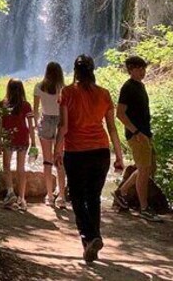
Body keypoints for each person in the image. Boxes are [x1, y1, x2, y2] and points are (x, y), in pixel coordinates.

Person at [55, 55, 124, 264]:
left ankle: (90, 236)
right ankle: (90, 245)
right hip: (101, 151)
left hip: (76, 152)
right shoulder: (104, 94)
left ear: (75, 70)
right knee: (93, 197)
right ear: (93, 70)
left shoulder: (66, 93)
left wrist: (57, 150)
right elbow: (112, 127)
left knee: (76, 197)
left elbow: (63, 127)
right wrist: (119, 156)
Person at [114, 55, 162, 222]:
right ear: (130, 69)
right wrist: (135, 132)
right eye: (139, 68)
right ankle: (144, 208)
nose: (143, 71)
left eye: (144, 68)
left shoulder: (139, 86)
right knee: (144, 169)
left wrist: (146, 133)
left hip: (144, 134)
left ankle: (122, 191)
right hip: (138, 136)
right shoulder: (128, 87)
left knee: (147, 169)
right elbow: (119, 113)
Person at [0, 79, 36, 211]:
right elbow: (31, 127)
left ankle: (10, 192)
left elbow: (0, 125)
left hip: (9, 138)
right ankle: (22, 199)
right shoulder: (26, 105)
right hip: (23, 138)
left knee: (6, 166)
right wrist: (34, 144)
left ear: (8, 89)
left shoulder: (3, 104)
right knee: (21, 168)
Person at [34, 61, 67, 208]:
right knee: (60, 160)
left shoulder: (39, 87)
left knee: (47, 161)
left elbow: (35, 110)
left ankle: (49, 195)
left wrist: (36, 125)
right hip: (60, 122)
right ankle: (61, 196)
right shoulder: (64, 89)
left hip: (46, 121)